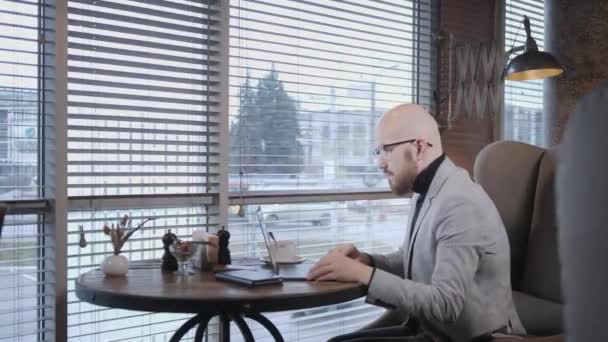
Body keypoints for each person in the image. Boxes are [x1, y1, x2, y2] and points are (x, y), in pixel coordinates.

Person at [307, 104, 525, 342]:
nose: (379, 162)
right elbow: (411, 259)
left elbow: (446, 305)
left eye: (387, 149)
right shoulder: (425, 190)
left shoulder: (460, 202)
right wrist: (367, 261)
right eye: (377, 151)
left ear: (419, 147)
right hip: (432, 331)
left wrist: (363, 274)